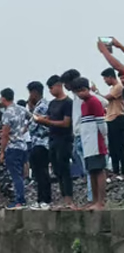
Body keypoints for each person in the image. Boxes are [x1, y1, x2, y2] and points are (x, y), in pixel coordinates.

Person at [35, 75, 75, 209]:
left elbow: (66, 123)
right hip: (52, 139)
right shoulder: (52, 103)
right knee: (57, 170)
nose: (51, 91)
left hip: (64, 140)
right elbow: (50, 119)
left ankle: (69, 199)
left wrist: (46, 121)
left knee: (64, 169)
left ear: (59, 85)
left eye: (52, 88)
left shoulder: (68, 102)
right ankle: (64, 198)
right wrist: (42, 120)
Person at [72, 77, 108, 210]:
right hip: (87, 142)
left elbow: (101, 123)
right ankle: (94, 199)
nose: (80, 94)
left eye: (82, 91)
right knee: (91, 171)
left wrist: (104, 138)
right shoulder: (83, 104)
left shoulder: (94, 101)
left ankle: (101, 201)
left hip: (96, 141)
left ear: (87, 89)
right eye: (77, 92)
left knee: (99, 170)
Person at [61, 69, 93, 202]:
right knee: (85, 168)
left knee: (90, 169)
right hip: (78, 135)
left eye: (65, 84)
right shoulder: (75, 97)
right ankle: (91, 196)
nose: (65, 87)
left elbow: (104, 103)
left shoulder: (85, 96)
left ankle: (92, 197)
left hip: (84, 134)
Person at [0, 88, 28, 209]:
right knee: (20, 174)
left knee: (15, 175)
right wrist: (23, 130)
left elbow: (5, 134)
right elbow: (32, 119)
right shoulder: (21, 109)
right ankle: (21, 198)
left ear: (4, 98)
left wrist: (1, 152)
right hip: (22, 145)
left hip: (12, 147)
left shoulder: (7, 113)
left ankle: (19, 200)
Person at [93, 68, 124, 180]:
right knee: (113, 147)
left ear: (110, 77)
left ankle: (121, 171)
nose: (105, 81)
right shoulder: (113, 88)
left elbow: (106, 99)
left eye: (105, 78)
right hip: (110, 119)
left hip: (118, 118)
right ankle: (116, 171)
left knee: (119, 146)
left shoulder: (118, 87)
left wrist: (96, 92)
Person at [26, 81, 51, 209]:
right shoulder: (38, 106)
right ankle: (41, 199)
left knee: (41, 172)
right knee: (38, 172)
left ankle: (45, 199)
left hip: (42, 143)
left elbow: (32, 126)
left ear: (34, 93)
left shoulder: (42, 107)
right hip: (38, 143)